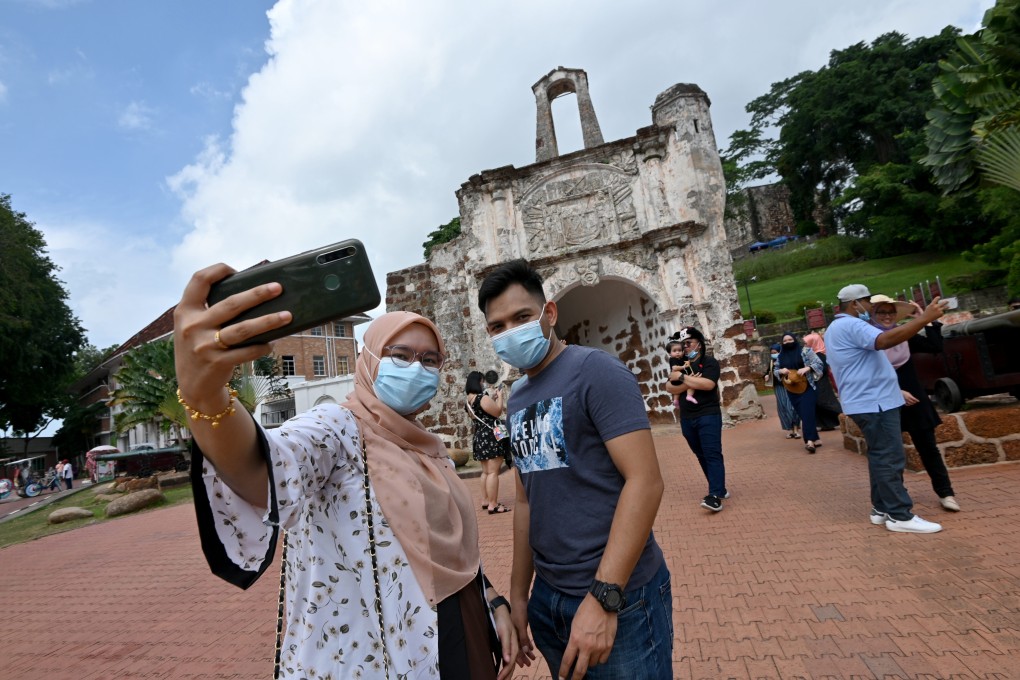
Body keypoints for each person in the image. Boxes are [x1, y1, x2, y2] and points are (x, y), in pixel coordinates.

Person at [173, 264, 519, 679]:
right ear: (367, 360)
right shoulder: (336, 428)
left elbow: (451, 547)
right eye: (400, 355)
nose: (416, 368)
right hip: (373, 650)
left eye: (429, 360)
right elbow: (261, 469)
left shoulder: (429, 447)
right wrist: (204, 395)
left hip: (461, 627)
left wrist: (493, 599)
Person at [477, 259, 671, 680]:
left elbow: (646, 482)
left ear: (549, 314)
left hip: (620, 597)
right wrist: (520, 596)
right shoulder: (518, 396)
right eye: (498, 326)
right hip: (550, 596)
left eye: (522, 317)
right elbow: (527, 499)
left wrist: (603, 599)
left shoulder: (595, 371)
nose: (510, 331)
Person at [825, 283, 948, 534]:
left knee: (880, 455)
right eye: (868, 302)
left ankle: (881, 508)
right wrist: (924, 319)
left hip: (869, 400)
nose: (870, 307)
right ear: (855, 303)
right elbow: (884, 340)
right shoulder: (851, 324)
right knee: (890, 458)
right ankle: (899, 514)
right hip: (874, 402)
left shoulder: (838, 327)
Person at [869, 294, 960, 512]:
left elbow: (935, 346)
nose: (887, 316)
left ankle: (945, 492)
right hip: (887, 399)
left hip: (915, 399)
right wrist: (896, 391)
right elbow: (870, 372)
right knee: (891, 452)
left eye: (891, 312)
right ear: (873, 314)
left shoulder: (905, 335)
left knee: (928, 448)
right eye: (882, 312)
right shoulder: (870, 338)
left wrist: (926, 320)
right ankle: (896, 497)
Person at [666, 326, 729, 511]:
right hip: (687, 417)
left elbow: (708, 384)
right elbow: (670, 388)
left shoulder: (710, 363)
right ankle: (719, 487)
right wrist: (689, 381)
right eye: (682, 344)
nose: (684, 347)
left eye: (688, 343)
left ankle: (714, 495)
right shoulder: (681, 364)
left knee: (712, 453)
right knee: (700, 454)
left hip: (708, 415)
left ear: (699, 345)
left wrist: (682, 379)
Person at [465, 370, 511, 514]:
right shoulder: (481, 398)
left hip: (480, 435)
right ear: (478, 382)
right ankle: (493, 504)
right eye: (482, 381)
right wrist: (500, 397)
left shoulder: (468, 400)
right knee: (493, 472)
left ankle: (485, 500)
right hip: (491, 435)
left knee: (485, 471)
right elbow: (497, 412)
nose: (483, 383)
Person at [774, 333, 825, 453]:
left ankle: (810, 441)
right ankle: (816, 438)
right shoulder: (780, 356)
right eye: (785, 341)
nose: (787, 342)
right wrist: (781, 370)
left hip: (808, 387)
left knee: (807, 413)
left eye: (790, 339)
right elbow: (775, 371)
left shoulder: (806, 351)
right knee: (804, 414)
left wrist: (807, 368)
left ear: (795, 340)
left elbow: (819, 363)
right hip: (792, 389)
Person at [801, 331, 843, 431]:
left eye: (806, 343)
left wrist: (809, 368)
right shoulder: (812, 354)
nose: (805, 346)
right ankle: (827, 424)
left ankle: (847, 415)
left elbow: (822, 368)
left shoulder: (819, 354)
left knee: (824, 402)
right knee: (818, 403)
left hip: (821, 382)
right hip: (816, 382)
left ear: (813, 342)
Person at [767, 343, 801, 440]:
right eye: (772, 353)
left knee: (792, 407)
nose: (773, 354)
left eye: (775, 352)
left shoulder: (786, 360)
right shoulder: (771, 362)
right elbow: (768, 372)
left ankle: (796, 429)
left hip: (789, 385)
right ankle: (790, 430)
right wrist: (766, 376)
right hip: (778, 387)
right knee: (783, 408)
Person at [666, 340, 698, 405]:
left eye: (679, 350)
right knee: (691, 384)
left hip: (676, 379)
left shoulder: (682, 358)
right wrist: (683, 367)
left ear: (682, 351)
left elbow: (688, 360)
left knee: (677, 392)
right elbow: (674, 368)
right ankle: (689, 396)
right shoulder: (673, 359)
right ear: (669, 353)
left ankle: (675, 400)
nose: (677, 352)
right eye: (674, 351)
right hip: (677, 378)